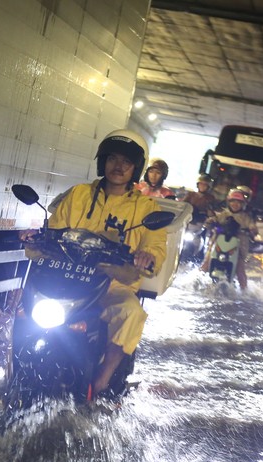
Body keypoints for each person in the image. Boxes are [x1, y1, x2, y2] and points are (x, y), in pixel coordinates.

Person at [48, 129, 168, 395]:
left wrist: (147, 256)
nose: (119, 166)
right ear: (103, 161)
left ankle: (103, 378)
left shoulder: (147, 208)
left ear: (136, 168)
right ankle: (14, 365)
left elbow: (156, 247)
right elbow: (54, 229)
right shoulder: (78, 194)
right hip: (66, 280)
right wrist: (35, 237)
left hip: (113, 287)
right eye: (113, 158)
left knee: (132, 314)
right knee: (25, 309)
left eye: (127, 162)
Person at [201, 188, 258, 289]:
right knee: (206, 263)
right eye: (233, 201)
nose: (235, 204)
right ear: (229, 202)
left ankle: (244, 290)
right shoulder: (223, 214)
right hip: (218, 244)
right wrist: (210, 222)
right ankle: (197, 281)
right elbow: (212, 220)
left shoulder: (245, 217)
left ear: (242, 204)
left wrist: (252, 230)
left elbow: (252, 227)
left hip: (237, 247)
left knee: (240, 269)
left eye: (238, 202)